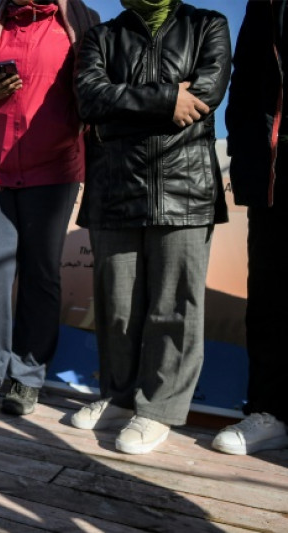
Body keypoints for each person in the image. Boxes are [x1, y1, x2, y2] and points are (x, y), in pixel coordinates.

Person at [70, 0, 231, 455]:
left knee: (174, 305)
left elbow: (205, 94)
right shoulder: (102, 35)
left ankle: (158, 411)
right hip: (114, 187)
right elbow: (89, 97)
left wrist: (123, 107)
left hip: (185, 186)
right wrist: (166, 99)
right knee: (117, 305)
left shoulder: (207, 24)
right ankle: (120, 397)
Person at [0, 0, 99, 418]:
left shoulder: (82, 23)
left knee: (41, 272)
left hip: (55, 170)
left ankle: (27, 377)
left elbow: (95, 92)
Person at [213, 0, 288, 456]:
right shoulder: (263, 3)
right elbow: (244, 88)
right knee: (270, 294)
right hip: (274, 172)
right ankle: (269, 412)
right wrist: (247, 163)